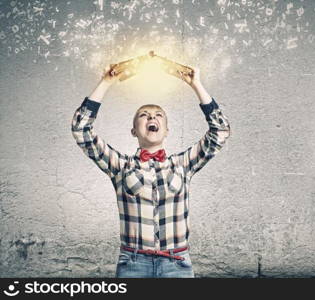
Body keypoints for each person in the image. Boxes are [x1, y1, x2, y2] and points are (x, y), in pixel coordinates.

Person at [71, 64, 231, 278]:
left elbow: (220, 131)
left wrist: (196, 85)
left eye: (158, 115)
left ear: (166, 130)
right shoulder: (120, 166)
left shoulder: (182, 164)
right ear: (133, 130)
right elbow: (81, 129)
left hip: (177, 264)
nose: (152, 118)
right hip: (133, 264)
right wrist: (106, 82)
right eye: (144, 115)